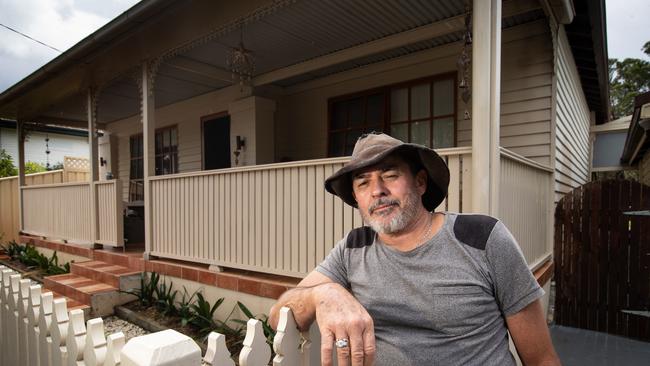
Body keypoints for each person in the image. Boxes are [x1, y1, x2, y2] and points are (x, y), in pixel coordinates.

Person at [269, 133, 560, 366]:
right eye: (363, 182)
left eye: (390, 175)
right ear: (357, 198)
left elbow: (541, 358)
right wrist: (324, 293)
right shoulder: (353, 248)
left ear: (420, 183)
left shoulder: (482, 238)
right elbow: (277, 315)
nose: (377, 190)